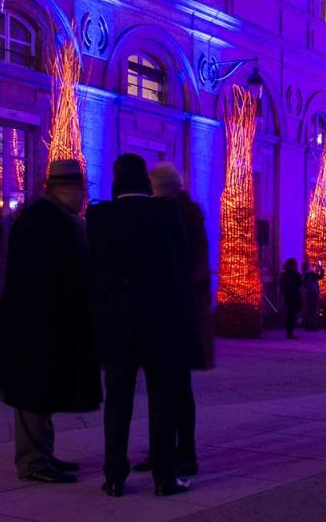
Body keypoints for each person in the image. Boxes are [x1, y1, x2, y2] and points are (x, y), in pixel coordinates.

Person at [87, 154, 197, 497]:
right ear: (144, 182)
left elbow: (94, 272)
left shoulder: (100, 215)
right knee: (162, 399)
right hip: (159, 322)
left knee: (118, 398)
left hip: (117, 324)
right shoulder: (165, 213)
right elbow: (182, 265)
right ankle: (164, 477)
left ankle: (114, 476)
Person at [0, 161, 100, 484]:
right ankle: (33, 462)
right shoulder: (48, 222)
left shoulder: (48, 218)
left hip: (39, 321)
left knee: (42, 390)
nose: (83, 198)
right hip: (36, 323)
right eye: (80, 191)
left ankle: (42, 455)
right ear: (63, 190)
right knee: (33, 393)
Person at [131, 164, 210, 478]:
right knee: (165, 387)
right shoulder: (175, 213)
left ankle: (184, 452)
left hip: (177, 314)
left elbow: (191, 268)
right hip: (172, 313)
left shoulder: (183, 216)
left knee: (176, 387)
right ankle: (164, 449)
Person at [279, 258, 302, 339]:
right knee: (291, 315)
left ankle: (289, 332)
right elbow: (300, 284)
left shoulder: (285, 275)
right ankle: (289, 333)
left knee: (291, 315)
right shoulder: (294, 275)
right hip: (292, 297)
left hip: (290, 297)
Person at [302, 261, 323, 330]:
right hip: (312, 293)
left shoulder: (305, 274)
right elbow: (319, 277)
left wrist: (319, 270)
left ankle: (309, 324)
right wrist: (320, 270)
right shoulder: (309, 274)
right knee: (312, 309)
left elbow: (319, 277)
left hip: (309, 293)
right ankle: (311, 324)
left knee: (310, 309)